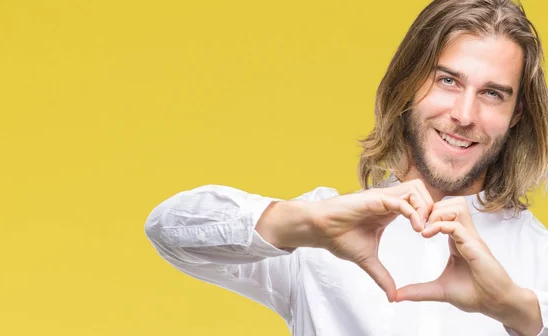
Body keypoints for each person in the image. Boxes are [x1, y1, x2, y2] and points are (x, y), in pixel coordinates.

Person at [144, 0, 548, 335]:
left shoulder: (540, 259)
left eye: (493, 94)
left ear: (516, 115)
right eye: (447, 81)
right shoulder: (322, 231)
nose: (464, 114)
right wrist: (305, 225)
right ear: (408, 84)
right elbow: (169, 229)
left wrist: (520, 314)